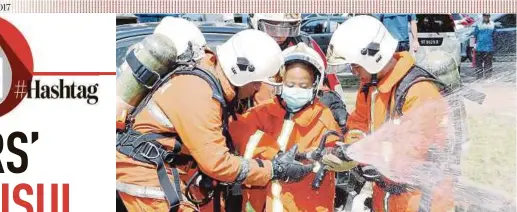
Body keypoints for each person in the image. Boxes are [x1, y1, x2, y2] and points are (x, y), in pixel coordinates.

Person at [116, 20, 314, 212]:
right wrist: (274, 170)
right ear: (241, 73)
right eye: (255, 82)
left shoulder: (210, 78)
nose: (258, 88)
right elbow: (217, 163)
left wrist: (277, 158)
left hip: (163, 166)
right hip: (144, 172)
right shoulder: (199, 93)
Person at [325, 15, 454, 212]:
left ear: (374, 56)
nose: (354, 72)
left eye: (355, 66)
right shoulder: (370, 87)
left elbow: (411, 153)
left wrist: (362, 155)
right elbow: (358, 123)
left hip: (421, 200)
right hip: (387, 194)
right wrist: (350, 148)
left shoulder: (419, 92)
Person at [229, 43, 345, 212]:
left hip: (303, 205)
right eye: (290, 85)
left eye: (304, 86)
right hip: (260, 204)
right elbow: (239, 133)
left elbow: (332, 151)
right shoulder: (262, 112)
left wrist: (333, 155)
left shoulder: (323, 117)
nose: (296, 90)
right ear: (280, 82)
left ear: (315, 85)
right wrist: (275, 155)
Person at [248, 13, 349, 135]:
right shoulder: (247, 48)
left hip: (304, 125)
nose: (280, 34)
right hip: (262, 124)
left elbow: (328, 80)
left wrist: (336, 103)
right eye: (273, 28)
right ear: (256, 23)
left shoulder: (306, 45)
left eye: (287, 28)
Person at [473, 13, 495, 79]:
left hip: (488, 48)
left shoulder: (492, 24)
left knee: (487, 64)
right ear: (483, 16)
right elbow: (475, 34)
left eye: (487, 16)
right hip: (480, 48)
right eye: (485, 16)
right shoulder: (479, 24)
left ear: (489, 16)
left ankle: (487, 77)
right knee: (479, 64)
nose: (486, 17)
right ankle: (480, 77)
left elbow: (475, 34)